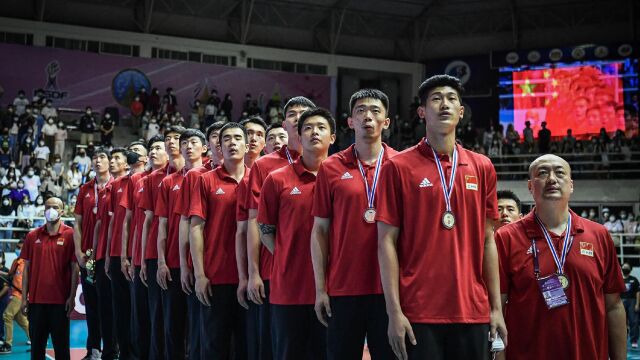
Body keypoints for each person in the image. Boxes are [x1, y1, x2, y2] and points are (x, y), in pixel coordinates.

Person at [375, 75, 505, 360]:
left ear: (461, 111)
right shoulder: (397, 166)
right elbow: (386, 241)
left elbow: (488, 241)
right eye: (435, 99)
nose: (444, 104)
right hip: (418, 310)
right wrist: (394, 311)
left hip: (472, 310)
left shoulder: (482, 166)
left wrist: (495, 308)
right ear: (422, 112)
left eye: (451, 99)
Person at [495, 154, 626, 359]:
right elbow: (497, 310)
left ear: (571, 185)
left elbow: (614, 306)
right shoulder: (506, 237)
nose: (552, 179)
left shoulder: (598, 235)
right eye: (543, 173)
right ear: (530, 186)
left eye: (559, 172)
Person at [310, 89, 397, 359]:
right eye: (360, 111)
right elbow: (319, 231)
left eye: (374, 111)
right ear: (350, 121)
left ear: (387, 122)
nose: (367, 117)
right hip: (344, 288)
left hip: (391, 290)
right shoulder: (331, 167)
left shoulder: (402, 165)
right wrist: (321, 289)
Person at [258, 108, 336, 359]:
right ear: (298, 137)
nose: (314, 133)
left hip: (335, 287)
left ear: (333, 137)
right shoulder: (277, 179)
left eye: (321, 127)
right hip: (289, 288)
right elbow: (264, 228)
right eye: (308, 128)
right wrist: (283, 255)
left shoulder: (342, 179)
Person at [246, 97, 315, 360]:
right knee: (278, 345)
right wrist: (253, 273)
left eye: (304, 113)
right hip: (274, 270)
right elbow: (255, 222)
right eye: (292, 114)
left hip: (319, 273)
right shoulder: (265, 166)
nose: (298, 117)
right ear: (284, 124)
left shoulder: (329, 163)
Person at [190, 122, 249, 359]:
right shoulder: (206, 181)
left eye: (237, 138)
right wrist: (200, 274)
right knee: (215, 346)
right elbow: (196, 229)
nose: (232, 143)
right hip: (216, 277)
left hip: (253, 279)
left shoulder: (259, 179)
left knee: (248, 346)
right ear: (219, 146)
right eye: (226, 139)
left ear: (247, 145)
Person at [156, 129, 206, 360]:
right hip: (175, 264)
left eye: (192, 142)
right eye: (183, 142)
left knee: (199, 326)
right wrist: (162, 261)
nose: (186, 146)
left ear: (204, 147)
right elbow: (162, 225)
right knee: (173, 325)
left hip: (203, 265)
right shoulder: (169, 181)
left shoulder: (210, 176)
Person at [139, 127, 184, 359]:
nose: (171, 142)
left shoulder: (200, 172)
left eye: (176, 138)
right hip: (159, 255)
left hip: (189, 257)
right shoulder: (154, 179)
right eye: (168, 139)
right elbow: (148, 222)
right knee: (160, 317)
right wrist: (146, 258)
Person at [122, 136, 167, 360]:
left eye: (159, 148)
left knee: (163, 317)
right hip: (143, 258)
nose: (153, 152)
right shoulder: (139, 181)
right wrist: (129, 256)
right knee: (142, 314)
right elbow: (134, 222)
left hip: (168, 258)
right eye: (152, 148)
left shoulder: (177, 178)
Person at [20, 197, 78, 360]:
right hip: (37, 303)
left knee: (62, 349)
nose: (51, 210)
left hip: (60, 303)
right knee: (36, 349)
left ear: (62, 211)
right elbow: (26, 270)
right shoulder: (32, 236)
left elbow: (75, 269)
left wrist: (72, 297)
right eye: (48, 207)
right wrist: (24, 298)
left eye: (55, 207)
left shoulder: (70, 235)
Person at [74, 148, 113, 360]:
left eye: (102, 158)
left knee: (109, 305)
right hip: (87, 257)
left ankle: (111, 349)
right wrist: (79, 253)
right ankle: (93, 349)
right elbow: (77, 223)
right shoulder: (85, 189)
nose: (98, 161)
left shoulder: (116, 187)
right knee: (91, 304)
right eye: (95, 158)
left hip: (108, 256)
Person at [92, 148, 127, 360]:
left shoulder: (133, 184)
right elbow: (101, 225)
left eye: (116, 158)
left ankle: (122, 350)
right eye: (110, 158)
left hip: (124, 255)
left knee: (123, 307)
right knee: (106, 306)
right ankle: (109, 351)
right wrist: (97, 254)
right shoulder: (108, 190)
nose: (112, 162)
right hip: (106, 256)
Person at [0, 240, 29, 354]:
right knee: (21, 320)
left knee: (7, 315)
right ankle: (36, 339)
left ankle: (8, 344)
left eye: (20, 247)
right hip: (15, 293)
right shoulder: (16, 261)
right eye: (17, 247)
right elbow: (9, 275)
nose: (18, 249)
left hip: (21, 294)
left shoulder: (27, 263)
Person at [621, 263, 640, 349]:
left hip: (632, 301)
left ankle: (634, 340)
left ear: (630, 269)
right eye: (624, 267)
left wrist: (637, 304)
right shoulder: (619, 279)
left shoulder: (634, 280)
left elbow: (638, 292)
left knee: (634, 321)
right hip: (621, 302)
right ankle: (622, 340)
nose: (625, 268)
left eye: (627, 267)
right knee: (621, 323)